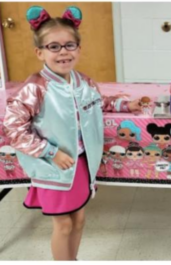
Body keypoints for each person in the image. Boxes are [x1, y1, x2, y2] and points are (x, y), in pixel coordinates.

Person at [2, 6, 141, 260]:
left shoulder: (83, 82)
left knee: (78, 219)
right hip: (53, 165)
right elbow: (12, 127)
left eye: (70, 45)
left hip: (81, 163)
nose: (63, 51)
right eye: (53, 46)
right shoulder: (35, 87)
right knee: (63, 225)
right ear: (40, 52)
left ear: (79, 49)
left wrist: (124, 105)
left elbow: (99, 102)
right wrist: (50, 152)